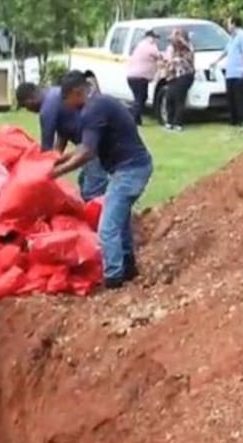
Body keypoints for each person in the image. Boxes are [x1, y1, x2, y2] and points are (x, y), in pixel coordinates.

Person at [51, 70, 152, 289]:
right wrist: (58, 161)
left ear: (76, 93)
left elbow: (87, 153)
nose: (66, 105)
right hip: (130, 167)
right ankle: (128, 268)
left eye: (66, 99)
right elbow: (85, 147)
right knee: (120, 220)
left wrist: (56, 173)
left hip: (130, 170)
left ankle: (114, 277)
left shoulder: (94, 109)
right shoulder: (99, 103)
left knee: (107, 227)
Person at [15, 81, 107, 200]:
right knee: (84, 181)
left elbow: (46, 149)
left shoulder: (47, 110)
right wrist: (57, 157)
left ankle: (104, 207)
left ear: (30, 100)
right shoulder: (54, 93)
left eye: (26, 106)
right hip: (92, 140)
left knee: (93, 190)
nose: (29, 110)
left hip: (94, 144)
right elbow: (63, 134)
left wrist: (39, 172)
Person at [213, 16, 243, 127]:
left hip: (240, 72)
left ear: (234, 24)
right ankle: (233, 120)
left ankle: (242, 120)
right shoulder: (232, 38)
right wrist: (216, 61)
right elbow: (226, 51)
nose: (227, 26)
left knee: (240, 98)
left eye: (229, 23)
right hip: (230, 73)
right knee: (231, 97)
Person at [125, 30, 163, 125]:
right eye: (155, 38)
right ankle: (130, 116)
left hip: (132, 76)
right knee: (141, 98)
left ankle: (137, 119)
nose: (156, 40)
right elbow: (160, 56)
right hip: (140, 77)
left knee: (138, 98)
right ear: (151, 38)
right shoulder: (150, 46)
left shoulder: (140, 45)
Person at [163, 28, 195, 131]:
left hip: (184, 75)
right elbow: (167, 60)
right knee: (169, 97)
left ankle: (178, 123)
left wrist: (180, 38)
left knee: (179, 98)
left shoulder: (188, 47)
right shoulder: (172, 48)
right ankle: (170, 121)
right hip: (173, 75)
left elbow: (187, 53)